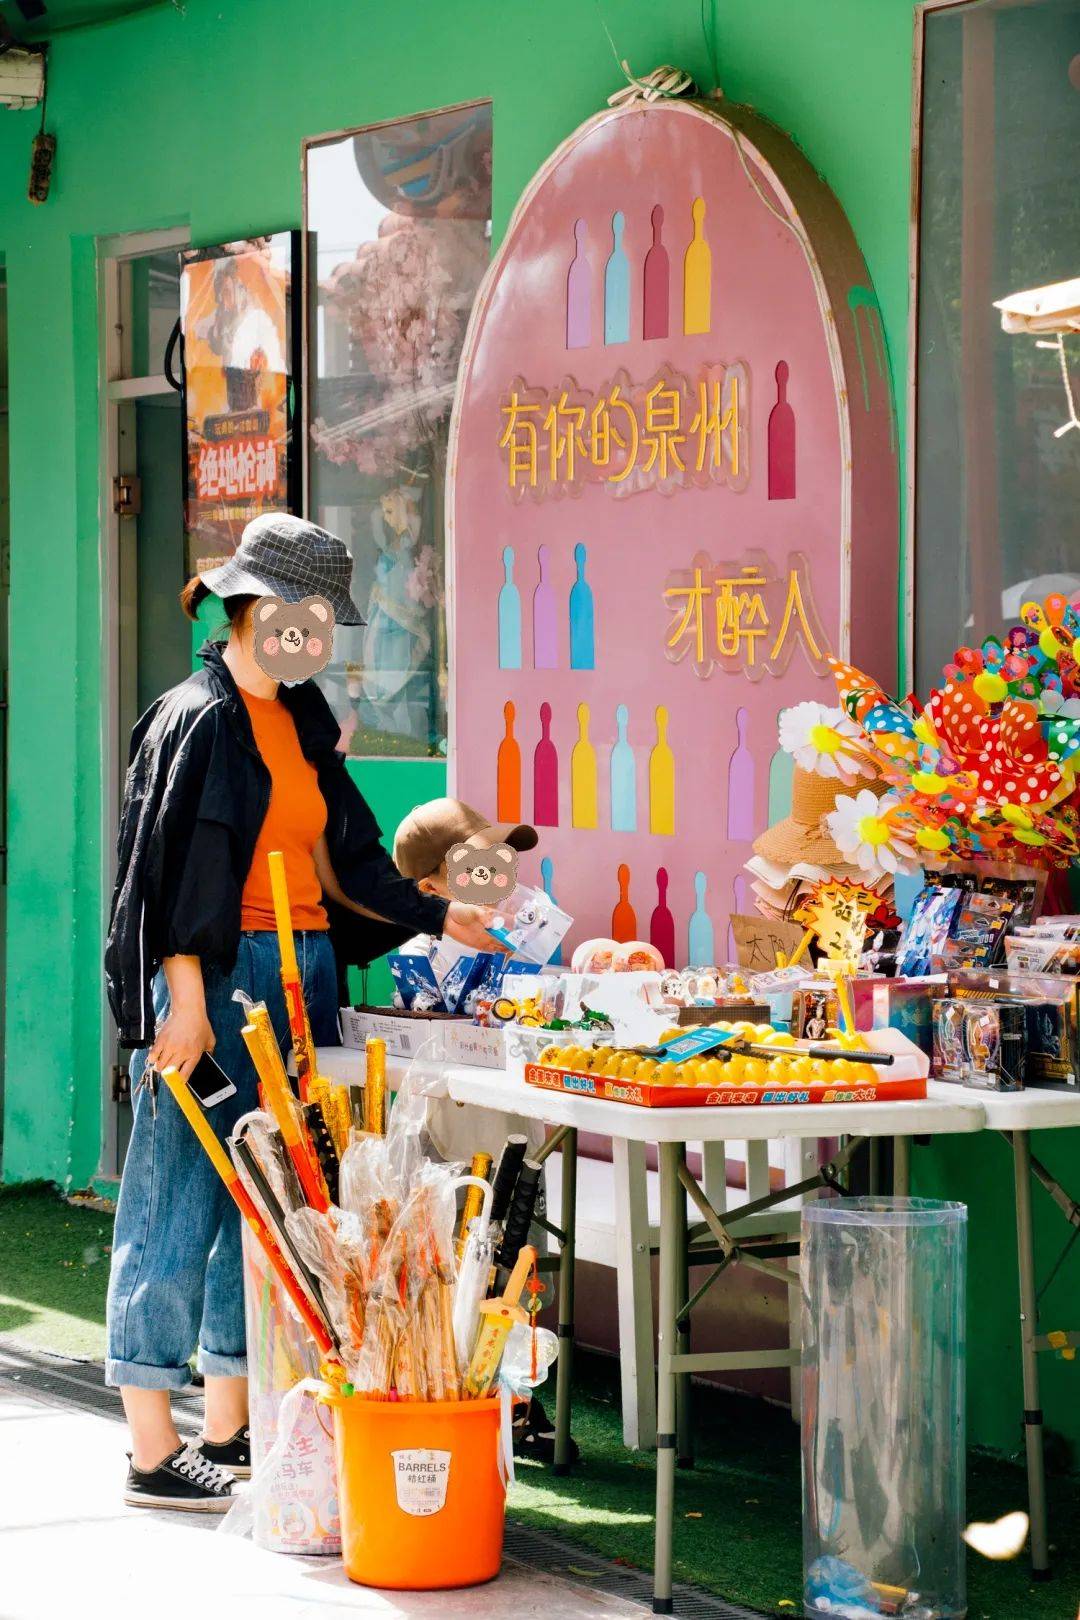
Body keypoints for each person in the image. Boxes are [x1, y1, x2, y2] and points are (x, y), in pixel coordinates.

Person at [104, 514, 497, 1511]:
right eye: (304, 614)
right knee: (176, 1191)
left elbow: (353, 857)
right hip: (220, 977)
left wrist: (441, 913)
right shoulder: (195, 715)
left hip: (303, 970)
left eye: (324, 620)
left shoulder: (301, 718)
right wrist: (181, 1001)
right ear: (253, 607)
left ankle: (233, 1426)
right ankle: (154, 1442)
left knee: (275, 1202)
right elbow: (170, 877)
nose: (314, 635)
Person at [392, 796, 578, 1464]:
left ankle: (521, 1400)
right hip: (453, 1126)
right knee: (458, 1260)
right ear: (432, 888)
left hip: (517, 1124)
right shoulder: (417, 951)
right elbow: (440, 1018)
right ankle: (459, 1386)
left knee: (523, 1257)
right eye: (474, 863)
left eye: (500, 856)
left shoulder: (521, 938)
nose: (496, 871)